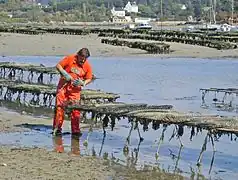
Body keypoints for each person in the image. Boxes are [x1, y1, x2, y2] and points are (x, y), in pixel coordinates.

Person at [52, 48, 93, 136]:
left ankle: (75, 131)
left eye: (85, 59)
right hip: (63, 87)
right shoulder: (70, 59)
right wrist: (64, 73)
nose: (83, 60)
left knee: (75, 110)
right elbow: (58, 66)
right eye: (81, 58)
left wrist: (83, 83)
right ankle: (57, 128)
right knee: (60, 108)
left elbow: (89, 78)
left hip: (75, 91)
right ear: (77, 56)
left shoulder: (87, 66)